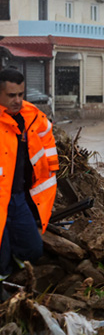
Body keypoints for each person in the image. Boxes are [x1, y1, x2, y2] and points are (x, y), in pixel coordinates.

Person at [0, 68, 58, 279]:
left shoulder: (31, 116)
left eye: (21, 95)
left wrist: (49, 168)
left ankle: (15, 271)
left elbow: (47, 138)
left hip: (17, 196)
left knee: (33, 249)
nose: (17, 100)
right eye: (11, 95)